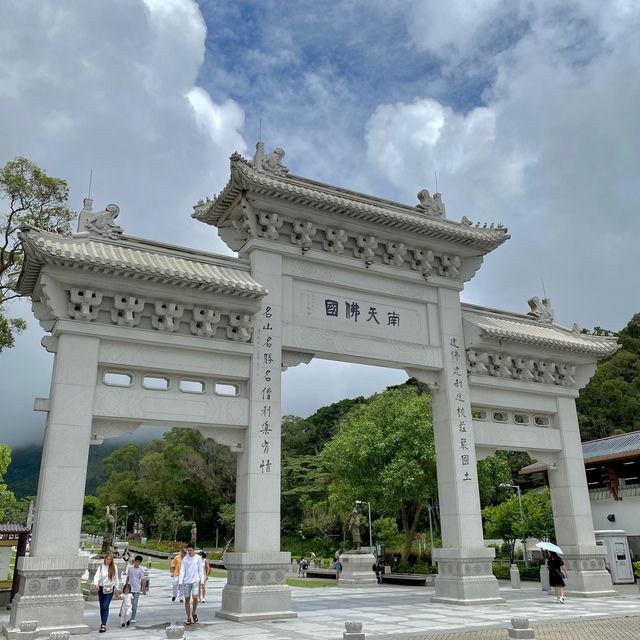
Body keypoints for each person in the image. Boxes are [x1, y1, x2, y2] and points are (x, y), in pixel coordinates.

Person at [92, 552, 120, 633]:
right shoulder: (101, 567)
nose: (108, 561)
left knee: (105, 606)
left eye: (110, 560)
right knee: (102, 607)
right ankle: (103, 623)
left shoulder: (114, 567)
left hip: (110, 589)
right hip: (101, 588)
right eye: (107, 559)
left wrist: (117, 589)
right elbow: (96, 576)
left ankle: (103, 624)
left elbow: (116, 578)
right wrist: (96, 584)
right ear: (105, 559)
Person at [178, 543, 204, 625]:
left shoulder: (198, 558)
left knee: (195, 597)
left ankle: (194, 612)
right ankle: (188, 617)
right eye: (188, 550)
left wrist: (202, 581)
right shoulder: (185, 559)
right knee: (187, 599)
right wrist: (180, 581)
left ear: (194, 550)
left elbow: (200, 570)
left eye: (191, 550)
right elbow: (182, 571)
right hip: (187, 581)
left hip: (195, 580)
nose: (189, 552)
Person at [124, 555, 145, 623]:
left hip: (137, 589)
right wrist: (126, 585)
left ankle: (133, 617)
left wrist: (143, 589)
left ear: (140, 563)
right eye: (136, 562)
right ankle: (126, 615)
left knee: (135, 603)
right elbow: (128, 577)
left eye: (138, 562)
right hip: (130, 588)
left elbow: (142, 580)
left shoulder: (141, 570)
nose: (136, 563)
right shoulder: (130, 568)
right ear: (134, 561)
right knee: (128, 602)